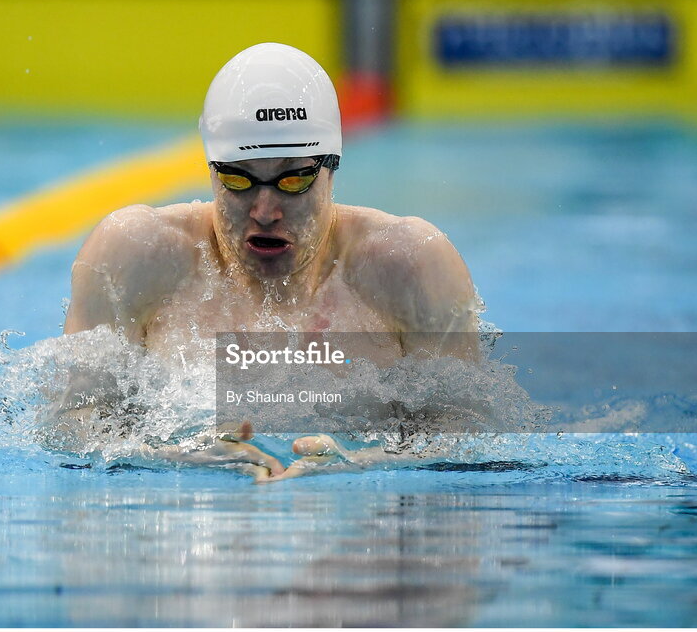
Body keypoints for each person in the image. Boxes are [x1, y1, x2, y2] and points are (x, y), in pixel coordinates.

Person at [54, 43, 480, 481]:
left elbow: (470, 438)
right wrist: (171, 458)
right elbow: (68, 427)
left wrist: (361, 466)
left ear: (332, 169)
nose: (264, 210)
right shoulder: (137, 256)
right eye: (238, 179)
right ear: (212, 171)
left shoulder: (410, 265)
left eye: (292, 180)